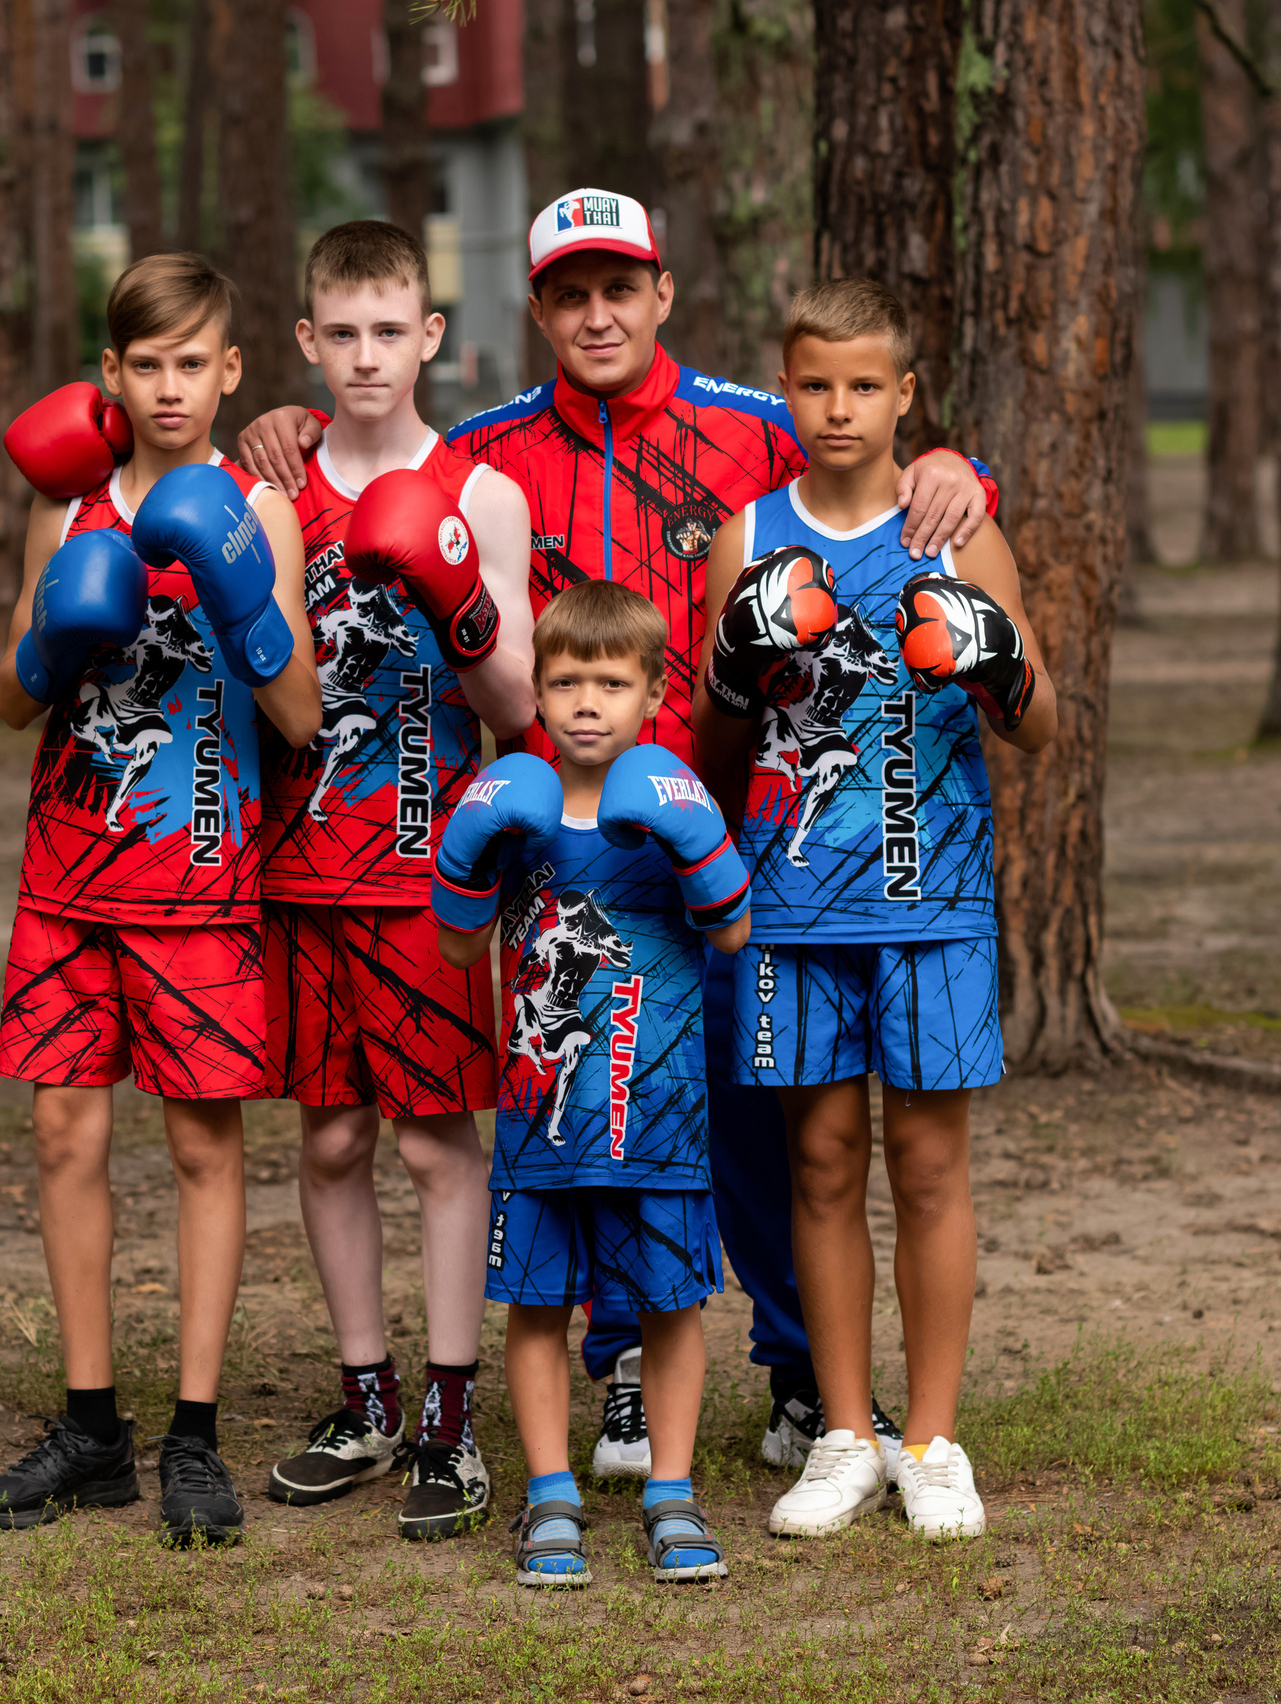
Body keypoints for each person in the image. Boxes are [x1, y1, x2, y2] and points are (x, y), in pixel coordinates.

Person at [236, 187, 996, 1477]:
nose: (596, 313)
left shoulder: (754, 429)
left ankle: (807, 1373)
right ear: (536, 309)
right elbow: (380, 447)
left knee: (757, 1110)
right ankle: (621, 1371)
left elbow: (872, 464)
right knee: (584, 1095)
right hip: (562, 838)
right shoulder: (486, 452)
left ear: (661, 295)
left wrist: (956, 469)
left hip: (743, 819)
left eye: (618, 288)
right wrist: (285, 426)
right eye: (569, 293)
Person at [0, 252, 321, 1549]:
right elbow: (7, 696)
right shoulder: (65, 505)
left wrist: (244, 607)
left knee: (201, 1148)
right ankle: (90, 1428)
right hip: (67, 873)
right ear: (112, 373)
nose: (170, 388)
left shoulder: (255, 510)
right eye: (145, 364)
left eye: (192, 363)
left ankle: (196, 1436)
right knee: (67, 1136)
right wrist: (53, 641)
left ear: (228, 371)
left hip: (201, 877)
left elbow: (302, 719)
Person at [690, 280, 1056, 1541]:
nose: (837, 408)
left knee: (931, 1165)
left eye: (863, 386)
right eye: (813, 384)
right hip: (794, 908)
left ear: (905, 393)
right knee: (822, 1162)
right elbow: (712, 745)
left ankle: (935, 1437)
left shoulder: (953, 528)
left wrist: (996, 656)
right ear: (783, 388)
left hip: (934, 903)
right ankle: (844, 1432)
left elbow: (1043, 725)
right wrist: (734, 669)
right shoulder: (748, 532)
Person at [254, 221, 538, 1541]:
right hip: (304, 870)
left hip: (430, 878)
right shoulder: (275, 497)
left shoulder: (480, 492)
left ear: (429, 338)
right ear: (310, 343)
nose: (368, 358)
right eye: (343, 334)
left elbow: (520, 703)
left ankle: (449, 1417)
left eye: (392, 332)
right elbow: (276, 709)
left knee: (434, 1142)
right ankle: (364, 1397)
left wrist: (457, 594)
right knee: (327, 1140)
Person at [432, 580, 752, 1587]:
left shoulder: (667, 796)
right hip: (540, 1120)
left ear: (652, 696)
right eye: (566, 681)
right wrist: (467, 844)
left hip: (660, 1113)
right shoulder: (513, 806)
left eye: (610, 683)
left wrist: (692, 835)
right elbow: (453, 944)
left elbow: (733, 933)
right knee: (536, 1305)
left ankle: (670, 1491)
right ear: (537, 692)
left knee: (669, 1305)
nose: (585, 703)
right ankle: (551, 1494)